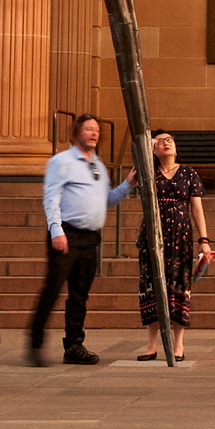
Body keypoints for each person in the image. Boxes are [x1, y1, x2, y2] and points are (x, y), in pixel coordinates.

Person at [27, 112, 132, 367]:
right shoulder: (61, 161)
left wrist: (128, 184)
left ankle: (74, 345)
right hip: (66, 233)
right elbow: (51, 197)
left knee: (80, 294)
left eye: (96, 129)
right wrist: (56, 230)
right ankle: (35, 341)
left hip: (90, 238)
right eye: (88, 129)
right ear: (76, 133)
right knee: (53, 289)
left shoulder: (98, 165)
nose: (94, 133)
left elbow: (106, 199)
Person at [134, 129, 213, 364]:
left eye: (170, 140)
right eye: (160, 141)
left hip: (180, 236)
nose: (166, 143)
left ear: (176, 148)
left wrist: (204, 239)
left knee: (180, 285)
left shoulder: (188, 173)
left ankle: (179, 343)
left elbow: (197, 209)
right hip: (152, 236)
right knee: (150, 285)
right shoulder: (148, 173)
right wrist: (147, 151)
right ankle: (151, 345)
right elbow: (136, 176)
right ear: (153, 149)